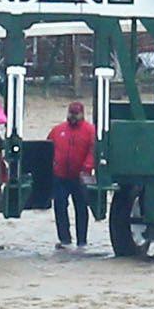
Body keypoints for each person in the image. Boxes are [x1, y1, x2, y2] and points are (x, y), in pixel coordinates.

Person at [48, 98, 99, 250]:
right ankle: (64, 239)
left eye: (76, 114)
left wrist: (87, 168)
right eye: (71, 113)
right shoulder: (58, 130)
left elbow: (93, 150)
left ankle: (82, 241)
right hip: (60, 176)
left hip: (80, 177)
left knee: (81, 208)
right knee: (59, 205)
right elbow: (47, 148)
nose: (73, 117)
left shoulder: (90, 131)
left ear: (82, 114)